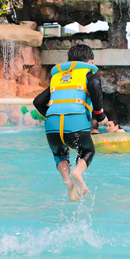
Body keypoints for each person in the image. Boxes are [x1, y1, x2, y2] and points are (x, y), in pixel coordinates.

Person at [33, 44, 106, 201]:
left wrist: (52, 116)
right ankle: (77, 173)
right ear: (91, 61)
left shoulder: (57, 78)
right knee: (87, 151)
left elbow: (38, 101)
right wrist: (99, 114)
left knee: (59, 153)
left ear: (68, 61)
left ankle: (68, 181)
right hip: (76, 124)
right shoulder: (88, 75)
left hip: (52, 127)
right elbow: (94, 86)